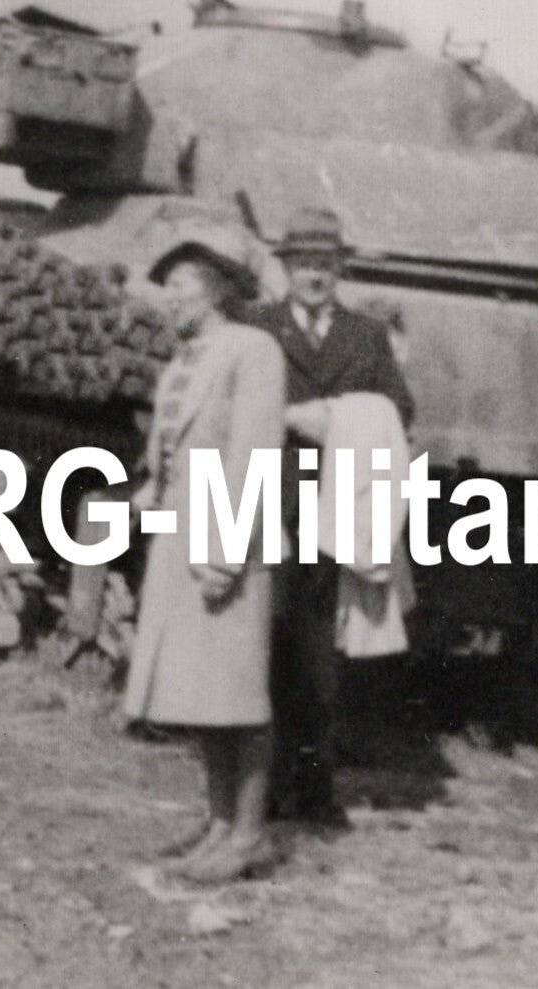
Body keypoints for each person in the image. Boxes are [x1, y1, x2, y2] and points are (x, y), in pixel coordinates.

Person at [120, 238, 288, 884]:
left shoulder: (252, 350)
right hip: (179, 537)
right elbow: (170, 448)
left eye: (181, 285)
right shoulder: (184, 359)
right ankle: (218, 825)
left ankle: (249, 833)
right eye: (167, 287)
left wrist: (226, 553)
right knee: (201, 694)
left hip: (224, 540)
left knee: (238, 693)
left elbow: (252, 456)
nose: (171, 298)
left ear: (218, 290)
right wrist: (149, 497)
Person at [245, 206, 414, 830]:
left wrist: (338, 416)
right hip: (269, 502)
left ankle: (314, 791)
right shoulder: (255, 325)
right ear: (286, 269)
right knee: (264, 644)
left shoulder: (365, 337)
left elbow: (400, 409)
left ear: (339, 270)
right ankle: (257, 792)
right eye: (303, 264)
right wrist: (291, 417)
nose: (314, 275)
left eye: (325, 264)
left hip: (337, 511)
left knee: (320, 656)